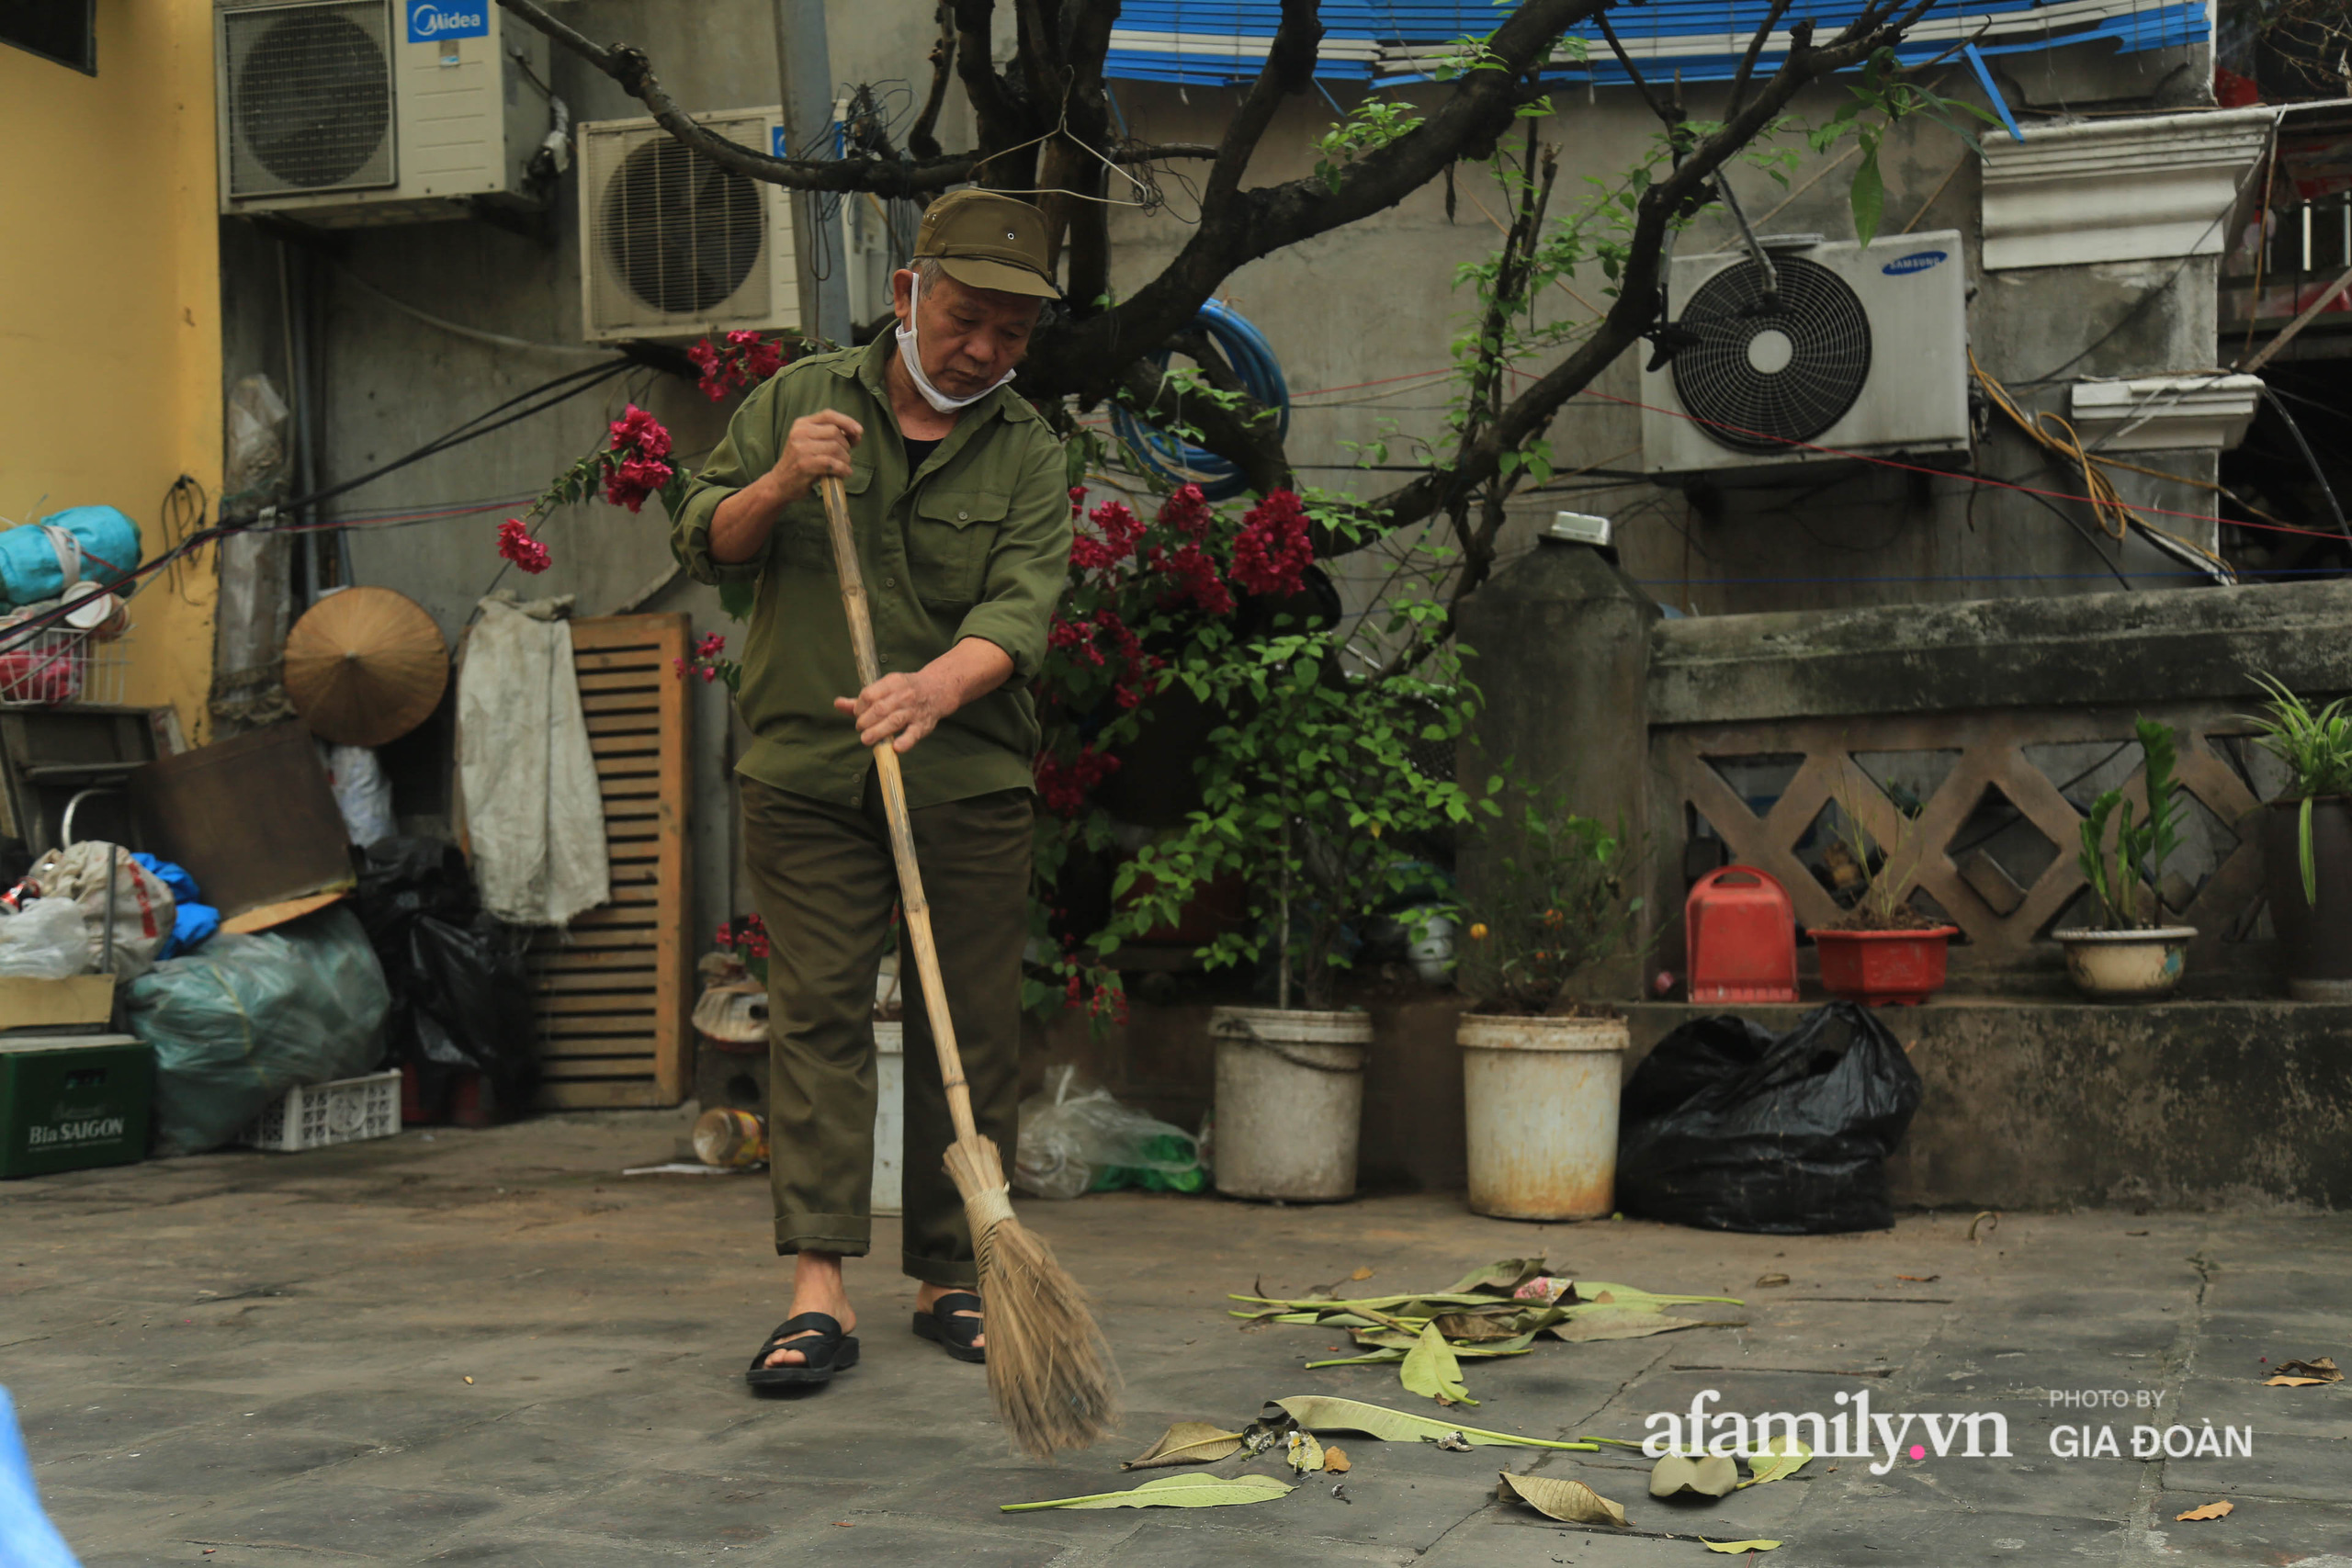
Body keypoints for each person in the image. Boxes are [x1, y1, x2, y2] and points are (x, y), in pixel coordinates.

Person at [670, 189, 1071, 1389]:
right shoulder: (798, 403)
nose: (983, 350)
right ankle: (818, 1288)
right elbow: (705, 537)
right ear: (908, 293)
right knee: (820, 1020)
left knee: (971, 1027)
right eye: (964, 319)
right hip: (806, 769)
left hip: (964, 776)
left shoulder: (1029, 450)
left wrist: (935, 688)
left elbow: (1022, 607)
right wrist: (779, 483)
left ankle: (955, 1271)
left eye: (1011, 332)